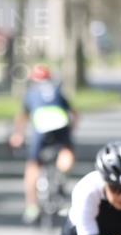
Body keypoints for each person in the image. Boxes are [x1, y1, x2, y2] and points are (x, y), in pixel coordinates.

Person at [9, 65, 78, 224]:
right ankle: (61, 176)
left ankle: (31, 206)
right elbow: (74, 114)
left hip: (41, 127)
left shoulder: (31, 93)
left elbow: (22, 118)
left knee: (33, 165)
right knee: (67, 152)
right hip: (61, 125)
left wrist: (17, 135)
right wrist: (71, 130)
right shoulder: (58, 91)